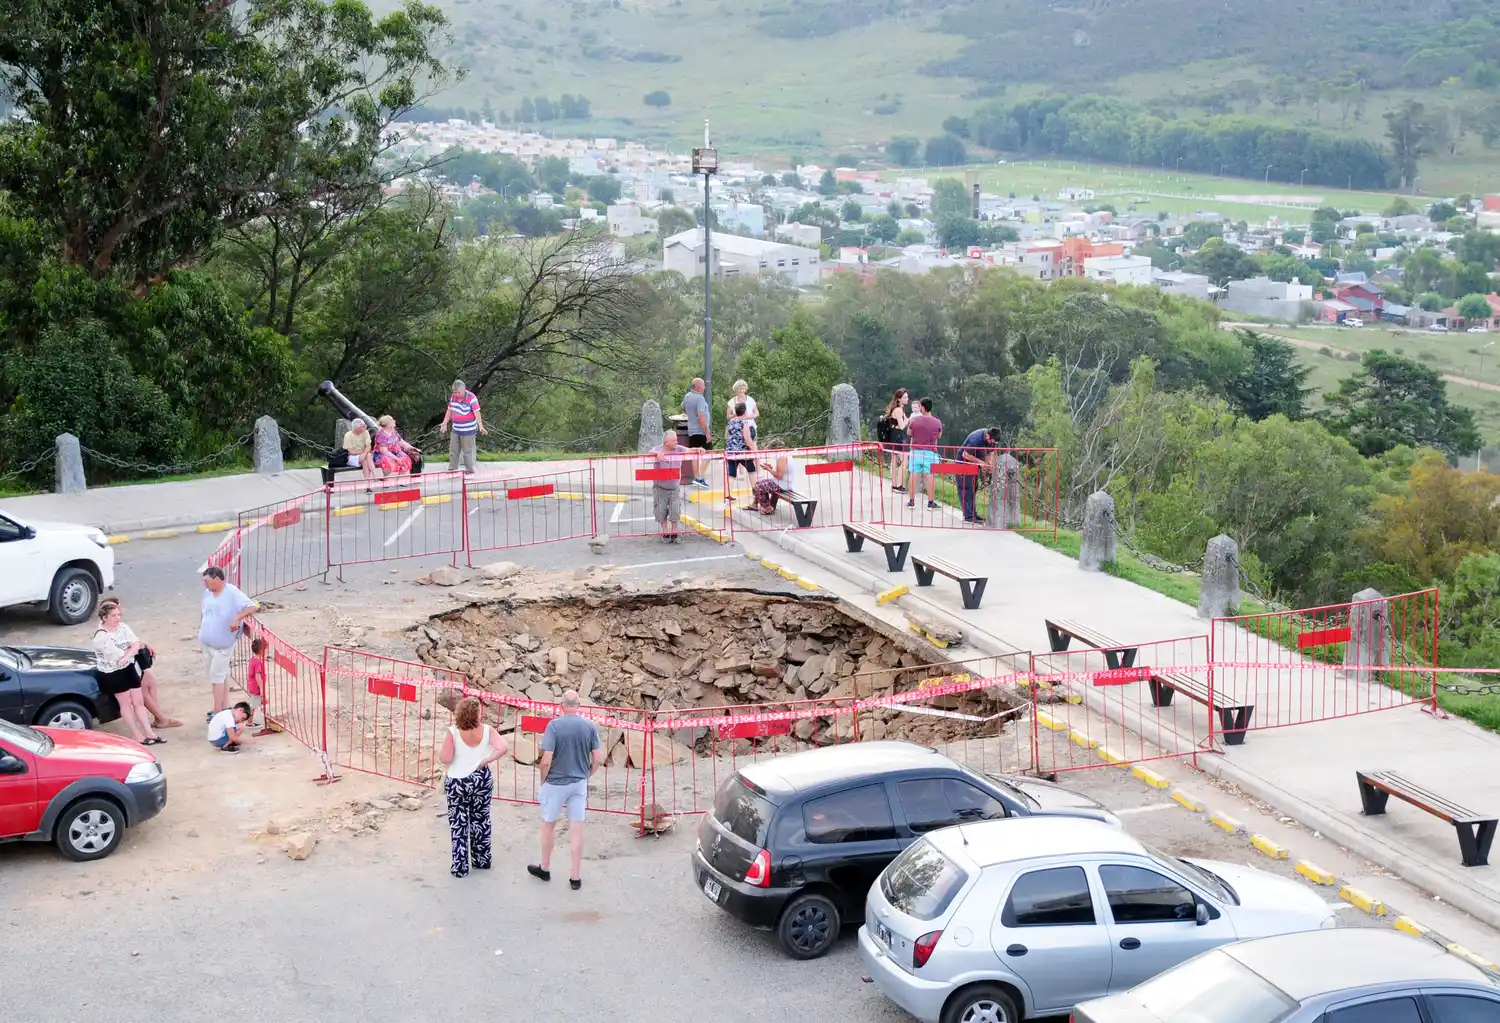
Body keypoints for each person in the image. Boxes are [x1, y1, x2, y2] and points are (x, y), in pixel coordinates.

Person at [527, 690, 602, 890]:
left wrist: (543, 780)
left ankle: (545, 867)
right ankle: (575, 877)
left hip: (555, 782)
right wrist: (587, 774)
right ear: (578, 705)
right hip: (578, 782)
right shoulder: (589, 726)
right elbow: (598, 758)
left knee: (548, 825)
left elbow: (546, 760)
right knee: (576, 828)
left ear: (561, 705)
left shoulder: (554, 726)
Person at [439, 697, 508, 879]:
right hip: (481, 779)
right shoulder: (487, 731)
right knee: (481, 819)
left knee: (459, 824)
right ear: (478, 713)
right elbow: (503, 747)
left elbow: (445, 759)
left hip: (457, 781)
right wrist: (486, 760)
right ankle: (482, 860)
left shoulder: (453, 732)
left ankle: (460, 867)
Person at [92, 599, 164, 746]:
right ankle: (137, 735)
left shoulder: (123, 627)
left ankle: (149, 732)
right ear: (104, 618)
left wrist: (127, 654)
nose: (117, 618)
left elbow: (136, 644)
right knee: (126, 704)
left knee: (138, 702)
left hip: (127, 667)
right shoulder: (101, 636)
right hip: (113, 672)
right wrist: (128, 653)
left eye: (118, 615)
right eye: (113, 616)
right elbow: (115, 655)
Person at [200, 566, 257, 721]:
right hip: (207, 642)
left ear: (217, 579)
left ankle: (217, 710)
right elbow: (204, 613)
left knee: (216, 676)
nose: (205, 584)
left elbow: (252, 606)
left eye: (207, 581)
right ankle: (224, 706)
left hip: (223, 645)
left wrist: (237, 618)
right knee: (219, 674)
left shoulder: (232, 592)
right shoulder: (207, 593)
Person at [957, 426, 1003, 523]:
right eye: (992, 442)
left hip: (974, 463)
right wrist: (981, 463)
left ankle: (973, 514)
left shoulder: (992, 441)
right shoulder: (976, 438)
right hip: (963, 463)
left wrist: (989, 464)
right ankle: (968, 516)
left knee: (974, 487)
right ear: (987, 436)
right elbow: (965, 455)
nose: (993, 444)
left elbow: (990, 453)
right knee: (966, 488)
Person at [647, 431, 686, 543]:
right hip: (660, 488)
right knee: (661, 510)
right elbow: (650, 453)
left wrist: (699, 449)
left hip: (674, 488)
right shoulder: (658, 449)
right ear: (666, 442)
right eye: (674, 440)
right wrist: (656, 454)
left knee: (675, 510)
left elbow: (690, 450)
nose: (676, 442)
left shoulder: (678, 449)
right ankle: (665, 532)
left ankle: (674, 532)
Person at [440, 379, 486, 474]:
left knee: (467, 451)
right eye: (454, 392)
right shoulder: (453, 397)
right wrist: (444, 423)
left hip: (468, 430)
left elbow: (477, 413)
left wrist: (480, 426)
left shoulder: (471, 398)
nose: (456, 394)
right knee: (453, 450)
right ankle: (452, 468)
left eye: (458, 392)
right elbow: (449, 411)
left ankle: (469, 470)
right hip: (456, 428)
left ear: (464, 390)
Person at [905, 397, 943, 510]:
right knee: (930, 476)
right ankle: (931, 503)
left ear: (922, 407)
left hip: (915, 451)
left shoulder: (914, 420)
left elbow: (909, 432)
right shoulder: (937, 422)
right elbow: (939, 436)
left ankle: (911, 502)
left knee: (913, 474)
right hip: (930, 452)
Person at [751, 443, 798, 515]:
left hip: (783, 484)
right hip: (781, 482)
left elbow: (779, 475)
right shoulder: (783, 455)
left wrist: (768, 469)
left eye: (771, 451)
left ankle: (768, 508)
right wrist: (771, 468)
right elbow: (782, 470)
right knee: (758, 483)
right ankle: (757, 505)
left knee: (759, 487)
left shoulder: (782, 457)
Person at [682, 378, 712, 489]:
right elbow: (701, 417)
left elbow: (684, 407)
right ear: (698, 387)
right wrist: (707, 432)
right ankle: (700, 477)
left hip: (691, 430)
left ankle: (696, 478)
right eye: (703, 385)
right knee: (709, 453)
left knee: (694, 454)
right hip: (700, 431)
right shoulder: (700, 398)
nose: (705, 387)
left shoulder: (687, 396)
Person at [879, 388, 911, 493]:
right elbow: (902, 426)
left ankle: (894, 484)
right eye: (905, 397)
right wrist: (908, 420)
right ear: (899, 399)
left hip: (894, 436)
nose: (907, 399)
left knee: (895, 460)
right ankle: (899, 485)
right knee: (904, 461)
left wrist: (906, 419)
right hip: (898, 437)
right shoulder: (898, 410)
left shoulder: (898, 409)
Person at [725, 400, 758, 497]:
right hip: (743, 451)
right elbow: (747, 438)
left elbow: (728, 436)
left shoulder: (731, 422)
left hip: (731, 451)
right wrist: (753, 449)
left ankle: (727, 494)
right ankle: (755, 490)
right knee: (751, 470)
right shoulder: (745, 422)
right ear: (745, 411)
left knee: (731, 474)